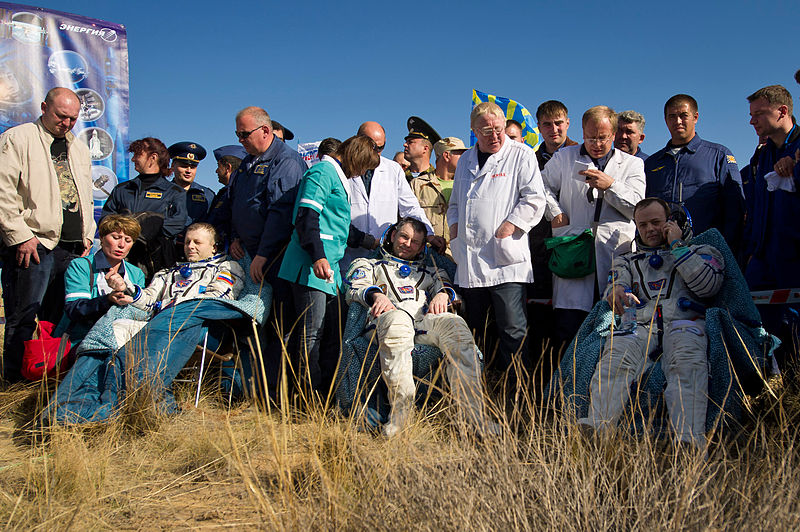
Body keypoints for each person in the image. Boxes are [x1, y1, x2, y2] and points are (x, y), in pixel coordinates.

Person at [46, 223, 246, 423]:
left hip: (200, 327)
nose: (190, 246)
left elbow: (215, 298)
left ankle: (110, 406)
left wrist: (161, 305)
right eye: (187, 242)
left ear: (213, 247)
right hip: (159, 324)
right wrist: (127, 289)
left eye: (197, 242)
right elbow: (148, 299)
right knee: (113, 330)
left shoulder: (228, 268)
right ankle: (71, 403)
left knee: (143, 330)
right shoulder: (169, 273)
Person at [579, 198, 724, 449]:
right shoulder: (627, 260)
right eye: (643, 224)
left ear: (674, 222)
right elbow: (615, 285)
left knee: (686, 363)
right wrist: (617, 292)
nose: (650, 229)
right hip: (639, 325)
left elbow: (707, 286)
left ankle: (688, 441)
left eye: (656, 222)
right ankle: (598, 429)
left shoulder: (703, 252)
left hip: (684, 322)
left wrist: (677, 245)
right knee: (614, 360)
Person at [345, 217, 498, 437]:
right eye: (404, 237)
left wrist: (443, 295)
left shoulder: (430, 269)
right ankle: (401, 417)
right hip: (388, 319)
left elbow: (447, 287)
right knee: (397, 323)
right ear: (392, 235)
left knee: (456, 326)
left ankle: (474, 418)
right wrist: (376, 295)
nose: (408, 244)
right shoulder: (369, 264)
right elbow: (354, 286)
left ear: (422, 246)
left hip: (422, 320)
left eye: (415, 241)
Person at [0, 87, 95, 382]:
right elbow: (3, 192)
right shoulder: (18, 138)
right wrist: (20, 235)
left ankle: (45, 377)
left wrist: (88, 234)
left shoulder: (78, 147)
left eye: (73, 118)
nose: (66, 123)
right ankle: (14, 382)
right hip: (33, 243)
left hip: (71, 248)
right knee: (23, 316)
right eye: (61, 115)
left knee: (58, 318)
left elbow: (86, 196)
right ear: (44, 107)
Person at [447, 101, 546, 375]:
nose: (495, 136)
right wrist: (454, 229)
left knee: (513, 331)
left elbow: (535, 199)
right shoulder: (466, 158)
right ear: (473, 131)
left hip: (506, 260)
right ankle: (483, 390)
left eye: (499, 129)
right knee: (478, 331)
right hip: (470, 261)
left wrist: (510, 225)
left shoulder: (522, 154)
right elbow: (454, 205)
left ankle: (516, 397)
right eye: (487, 131)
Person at [278, 135, 380, 393]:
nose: (361, 174)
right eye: (363, 167)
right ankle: (305, 397)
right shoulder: (322, 172)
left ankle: (326, 392)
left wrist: (370, 241)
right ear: (355, 157)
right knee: (310, 335)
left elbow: (339, 226)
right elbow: (307, 216)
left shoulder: (337, 177)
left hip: (328, 269)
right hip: (311, 266)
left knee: (331, 333)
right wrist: (317, 256)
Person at [542, 105, 645, 344]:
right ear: (582, 131)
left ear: (614, 134)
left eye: (603, 138)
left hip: (614, 255)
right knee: (568, 332)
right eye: (590, 138)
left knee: (612, 333)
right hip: (573, 254)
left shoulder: (632, 165)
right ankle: (568, 381)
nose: (596, 144)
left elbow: (638, 208)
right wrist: (555, 211)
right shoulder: (564, 158)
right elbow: (540, 187)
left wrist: (611, 186)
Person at [226, 106, 306, 395]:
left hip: (277, 258)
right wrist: (235, 236)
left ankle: (276, 394)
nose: (241, 139)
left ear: (265, 131)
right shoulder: (247, 163)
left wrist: (263, 253)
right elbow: (238, 204)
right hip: (248, 254)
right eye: (237, 134)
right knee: (254, 325)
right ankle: (252, 388)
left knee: (279, 327)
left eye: (244, 134)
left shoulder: (286, 161)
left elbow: (280, 212)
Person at [744, 84, 800, 375]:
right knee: (756, 325)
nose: (752, 121)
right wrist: (752, 251)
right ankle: (767, 392)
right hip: (762, 257)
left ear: (783, 111)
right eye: (751, 115)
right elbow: (753, 206)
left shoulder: (798, 148)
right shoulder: (761, 156)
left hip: (794, 255)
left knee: (794, 327)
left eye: (759, 114)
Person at [645, 94, 744, 253]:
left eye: (683, 115)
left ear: (695, 117)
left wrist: (727, 248)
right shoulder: (651, 164)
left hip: (708, 251)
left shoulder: (718, 155)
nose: (677, 121)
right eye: (672, 116)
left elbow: (735, 209)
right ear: (665, 120)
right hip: (663, 253)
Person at [343, 121, 437, 271]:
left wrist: (429, 234)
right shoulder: (343, 168)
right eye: (373, 147)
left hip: (383, 258)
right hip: (348, 255)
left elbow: (410, 208)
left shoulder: (393, 170)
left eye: (381, 147)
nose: (377, 153)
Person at [53, 215, 146, 347]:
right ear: (102, 238)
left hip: (121, 341)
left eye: (128, 240)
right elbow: (75, 309)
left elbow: (141, 311)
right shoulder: (81, 266)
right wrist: (108, 300)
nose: (122, 245)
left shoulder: (136, 273)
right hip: (80, 340)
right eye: (116, 237)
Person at [102, 137, 187, 279]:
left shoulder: (175, 192)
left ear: (152, 157)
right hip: (122, 259)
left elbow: (178, 222)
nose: (133, 159)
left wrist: (147, 228)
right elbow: (105, 219)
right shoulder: (122, 189)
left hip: (157, 261)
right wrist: (124, 231)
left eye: (137, 155)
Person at [405, 118, 450, 251]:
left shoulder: (441, 180)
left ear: (425, 148)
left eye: (410, 142)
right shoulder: (399, 179)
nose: (404, 145)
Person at [204, 144, 246, 246]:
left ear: (228, 167)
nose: (216, 171)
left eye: (218, 166)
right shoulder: (224, 193)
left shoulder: (239, 192)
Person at [168, 141, 215, 227]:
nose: (188, 171)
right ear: (173, 166)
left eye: (193, 167)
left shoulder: (207, 195)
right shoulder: (163, 191)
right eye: (184, 166)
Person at [402, 116, 441, 182]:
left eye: (410, 142)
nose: (405, 144)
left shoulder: (438, 178)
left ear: (425, 149)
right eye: (406, 142)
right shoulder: (399, 176)